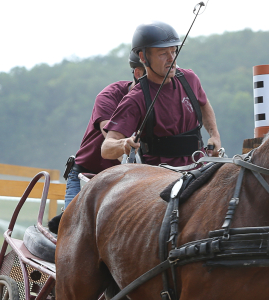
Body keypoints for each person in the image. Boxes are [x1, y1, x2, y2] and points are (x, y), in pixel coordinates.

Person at [48, 50, 146, 232]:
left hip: (125, 182)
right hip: (87, 176)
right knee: (73, 233)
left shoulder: (164, 104)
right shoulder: (109, 96)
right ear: (138, 73)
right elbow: (110, 135)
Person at [100, 21, 221, 167]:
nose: (172, 59)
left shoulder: (190, 79)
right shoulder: (135, 98)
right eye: (163, 53)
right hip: (160, 178)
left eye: (173, 51)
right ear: (144, 58)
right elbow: (106, 148)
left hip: (199, 168)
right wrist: (123, 144)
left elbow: (204, 104)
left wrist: (214, 135)